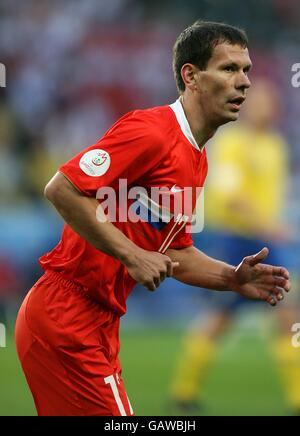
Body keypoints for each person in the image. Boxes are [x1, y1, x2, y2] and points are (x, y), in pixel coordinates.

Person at [15, 20, 291, 417]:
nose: (244, 82)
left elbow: (174, 252)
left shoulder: (196, 159)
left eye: (246, 70)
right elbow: (62, 189)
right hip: (66, 317)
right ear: (191, 76)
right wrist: (131, 254)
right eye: (229, 69)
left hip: (96, 325)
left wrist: (232, 278)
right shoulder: (152, 132)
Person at [170, 79, 299, 414]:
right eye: (260, 102)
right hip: (234, 240)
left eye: (272, 102)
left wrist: (272, 228)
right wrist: (270, 225)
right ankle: (184, 391)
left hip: (269, 242)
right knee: (220, 316)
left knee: (287, 314)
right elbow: (230, 197)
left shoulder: (275, 145)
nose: (267, 108)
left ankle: (296, 397)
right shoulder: (231, 142)